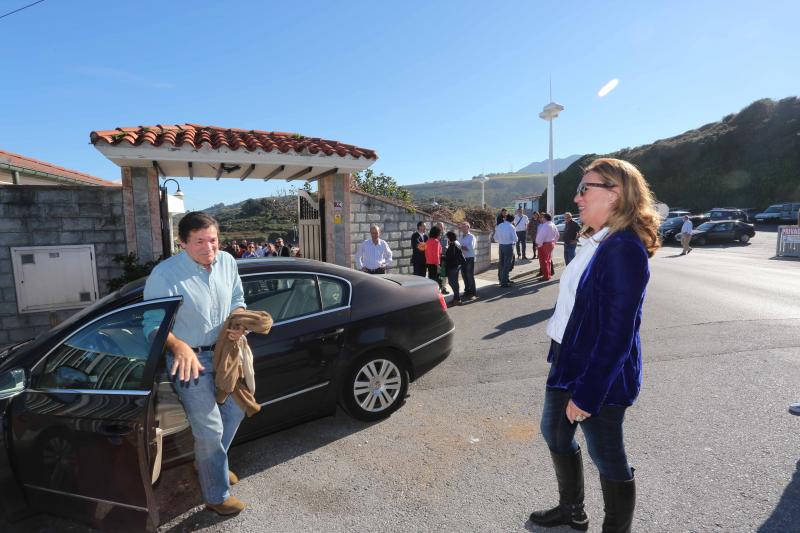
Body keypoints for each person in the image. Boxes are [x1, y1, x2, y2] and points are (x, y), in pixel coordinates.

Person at [530, 158, 660, 533]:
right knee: (555, 434)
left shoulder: (622, 249)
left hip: (599, 376)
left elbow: (617, 335)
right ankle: (572, 511)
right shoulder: (595, 240)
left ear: (615, 194)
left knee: (607, 456)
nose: (577, 197)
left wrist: (586, 395)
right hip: (568, 361)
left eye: (586, 188)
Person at [142, 211, 249, 515]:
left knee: (237, 410)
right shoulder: (164, 275)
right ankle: (216, 495)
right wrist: (178, 347)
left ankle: (210, 463)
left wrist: (238, 321)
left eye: (213, 240)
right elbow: (151, 324)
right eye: (200, 241)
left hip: (224, 353)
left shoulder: (228, 262)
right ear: (182, 243)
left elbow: (237, 299)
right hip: (189, 361)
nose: (209, 247)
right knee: (210, 428)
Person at [494, 213, 517, 287]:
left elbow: (495, 238)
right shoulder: (511, 227)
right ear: (512, 220)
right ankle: (504, 282)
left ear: (506, 218)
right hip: (508, 246)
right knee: (507, 264)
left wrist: (501, 241)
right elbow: (515, 239)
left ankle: (503, 279)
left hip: (501, 246)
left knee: (502, 263)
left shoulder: (499, 225)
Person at [444, 231, 466, 305]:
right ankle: (457, 298)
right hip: (456, 266)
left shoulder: (453, 244)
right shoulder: (456, 243)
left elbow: (451, 256)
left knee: (452, 282)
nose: (446, 238)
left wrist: (444, 257)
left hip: (453, 266)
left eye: (447, 237)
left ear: (449, 237)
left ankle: (457, 299)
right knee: (455, 282)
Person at [536, 213, 560, 281]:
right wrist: (554, 242)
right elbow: (558, 235)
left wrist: (538, 244)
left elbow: (540, 237)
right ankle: (548, 275)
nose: (542, 219)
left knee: (543, 261)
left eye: (543, 217)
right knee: (548, 260)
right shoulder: (553, 224)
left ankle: (546, 276)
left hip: (544, 244)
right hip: (551, 243)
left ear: (545, 218)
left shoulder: (545, 225)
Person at [459, 222, 477, 300]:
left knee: (470, 275)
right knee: (464, 275)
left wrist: (461, 247)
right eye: (462, 227)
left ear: (468, 228)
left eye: (464, 227)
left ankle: (473, 293)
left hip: (470, 258)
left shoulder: (471, 237)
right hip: (463, 258)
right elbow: (461, 248)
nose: (463, 228)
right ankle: (467, 291)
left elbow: (470, 248)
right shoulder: (461, 237)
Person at [425, 225, 443, 290]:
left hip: (429, 262)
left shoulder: (428, 241)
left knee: (431, 278)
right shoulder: (436, 241)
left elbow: (426, 253)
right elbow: (436, 254)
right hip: (435, 263)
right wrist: (438, 265)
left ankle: (431, 291)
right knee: (436, 279)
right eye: (439, 233)